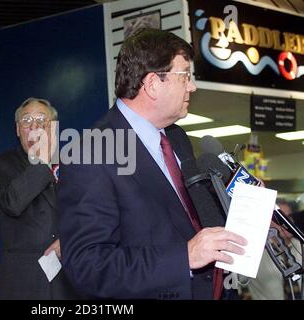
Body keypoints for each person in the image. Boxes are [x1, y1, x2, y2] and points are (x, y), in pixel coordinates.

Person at [58, 28, 247, 300]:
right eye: (184, 76)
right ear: (152, 84)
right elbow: (88, 267)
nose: (192, 87)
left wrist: (239, 206)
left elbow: (188, 220)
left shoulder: (177, 138)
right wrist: (184, 257)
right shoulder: (90, 153)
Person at [0, 97, 79, 299]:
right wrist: (43, 159)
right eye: (26, 121)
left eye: (41, 120)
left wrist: (70, 240)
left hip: (69, 279)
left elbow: (88, 214)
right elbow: (13, 203)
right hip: (25, 281)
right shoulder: (1, 164)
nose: (35, 126)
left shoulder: (72, 165)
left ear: (53, 128)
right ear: (18, 130)